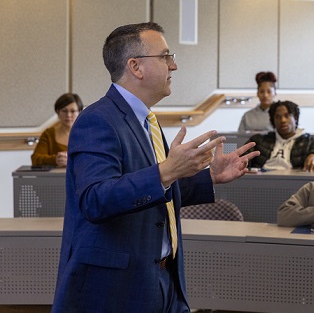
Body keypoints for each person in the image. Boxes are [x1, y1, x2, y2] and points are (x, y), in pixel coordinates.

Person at [52, 22, 259, 312]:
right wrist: (167, 171)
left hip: (163, 278)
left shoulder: (147, 120)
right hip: (116, 289)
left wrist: (209, 177)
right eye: (165, 56)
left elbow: (153, 192)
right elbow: (95, 199)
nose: (173, 65)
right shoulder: (96, 120)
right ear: (136, 67)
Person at [246, 100, 314, 172]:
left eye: (287, 116)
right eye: (278, 117)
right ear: (273, 120)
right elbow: (241, 162)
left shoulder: (310, 141)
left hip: (292, 182)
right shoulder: (258, 140)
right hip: (261, 182)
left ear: (295, 118)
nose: (283, 120)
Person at [31, 93, 84, 167]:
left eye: (72, 111)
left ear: (79, 112)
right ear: (57, 112)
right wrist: (55, 159)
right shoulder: (48, 134)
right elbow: (35, 159)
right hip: (54, 178)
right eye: (64, 111)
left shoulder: (88, 134)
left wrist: (73, 160)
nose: (68, 115)